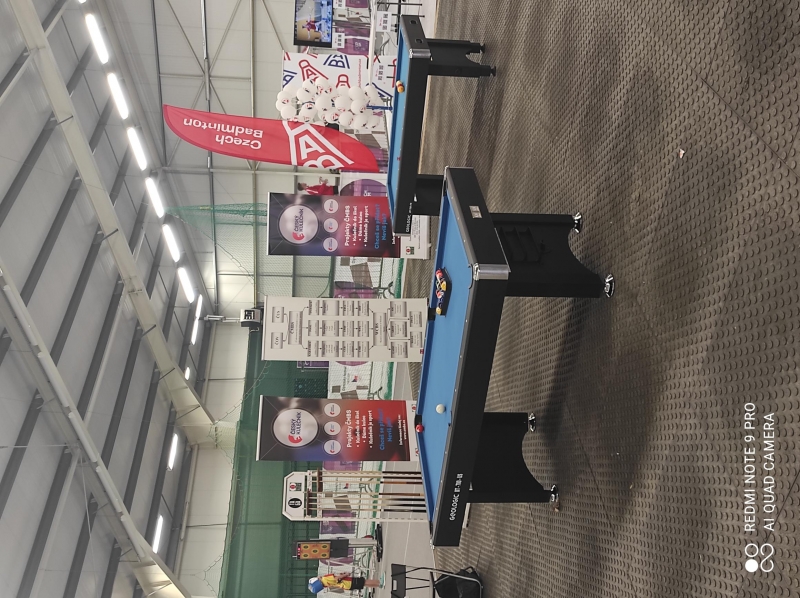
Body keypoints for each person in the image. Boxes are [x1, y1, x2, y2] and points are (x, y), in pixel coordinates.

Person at [308, 572, 383, 593]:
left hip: (346, 586)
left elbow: (335, 581)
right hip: (347, 582)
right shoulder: (324, 578)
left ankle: (378, 585)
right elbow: (336, 578)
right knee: (364, 581)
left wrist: (342, 575)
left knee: (364, 584)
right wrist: (345, 574)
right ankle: (380, 582)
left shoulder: (325, 585)